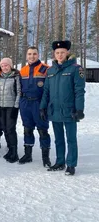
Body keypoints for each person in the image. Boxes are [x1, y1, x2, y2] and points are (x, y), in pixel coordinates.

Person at [40, 41, 85, 176]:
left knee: (71, 139)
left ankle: (71, 164)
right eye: (57, 53)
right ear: (54, 54)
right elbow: (46, 91)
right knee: (58, 138)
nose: (60, 55)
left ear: (67, 53)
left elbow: (79, 91)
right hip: (54, 110)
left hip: (70, 110)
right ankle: (60, 162)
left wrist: (79, 109)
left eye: (62, 52)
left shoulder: (75, 69)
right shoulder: (50, 70)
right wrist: (42, 107)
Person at [19, 47, 51, 167]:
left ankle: (45, 157)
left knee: (42, 130)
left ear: (38, 55)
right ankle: (28, 155)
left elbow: (49, 90)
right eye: (29, 54)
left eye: (34, 54)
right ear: (26, 56)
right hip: (25, 103)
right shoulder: (22, 70)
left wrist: (45, 105)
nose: (32, 56)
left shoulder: (46, 69)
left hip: (39, 103)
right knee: (27, 129)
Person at [0, 58, 21, 163]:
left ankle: (14, 152)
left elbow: (19, 92)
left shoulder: (15, 77)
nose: (4, 67)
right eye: (2, 66)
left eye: (6, 65)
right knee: (4, 128)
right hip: (0, 106)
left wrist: (16, 107)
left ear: (10, 66)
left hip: (11, 107)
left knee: (10, 129)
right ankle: (10, 150)